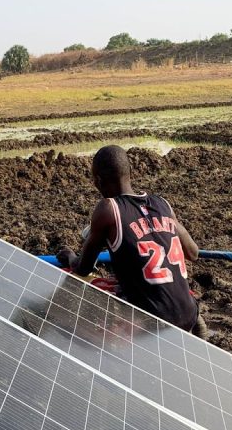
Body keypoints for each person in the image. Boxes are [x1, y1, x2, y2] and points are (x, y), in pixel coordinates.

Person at [57, 144, 208, 338]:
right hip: (189, 313)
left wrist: (70, 256)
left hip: (153, 322)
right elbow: (193, 253)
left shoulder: (108, 210)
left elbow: (83, 268)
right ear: (130, 173)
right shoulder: (162, 204)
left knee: (82, 308)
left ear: (98, 181)